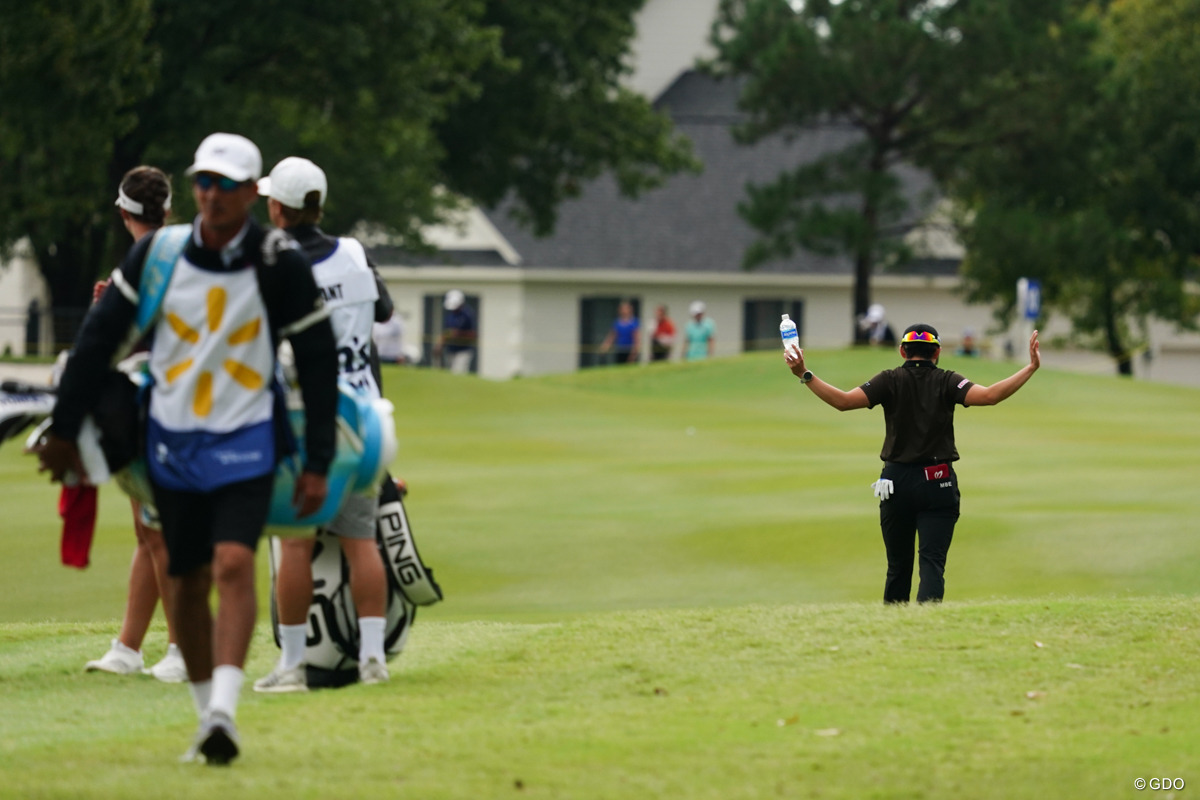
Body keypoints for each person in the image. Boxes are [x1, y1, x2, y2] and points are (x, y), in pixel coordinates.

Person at [32, 133, 339, 766]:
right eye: (203, 181)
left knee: (232, 563)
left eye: (226, 184)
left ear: (252, 195)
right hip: (170, 442)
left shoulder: (281, 261)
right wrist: (64, 430)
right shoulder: (160, 255)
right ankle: (209, 717)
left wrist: (318, 461)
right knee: (188, 577)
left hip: (251, 437)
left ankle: (224, 709)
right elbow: (99, 341)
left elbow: (317, 362)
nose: (210, 194)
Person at [252, 156, 391, 691]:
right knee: (361, 541)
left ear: (278, 208)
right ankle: (372, 657)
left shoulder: (273, 262)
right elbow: (382, 311)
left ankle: (292, 664)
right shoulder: (356, 253)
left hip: (306, 416)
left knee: (294, 543)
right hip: (362, 415)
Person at [783, 324, 1040, 604]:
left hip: (895, 482)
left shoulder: (888, 379)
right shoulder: (949, 380)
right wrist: (1030, 367)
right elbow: (990, 396)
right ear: (937, 352)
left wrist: (804, 374)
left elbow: (843, 402)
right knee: (931, 564)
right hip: (938, 480)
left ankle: (895, 630)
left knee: (898, 567)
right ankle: (926, 628)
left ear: (903, 351)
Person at [81, 166, 186, 684]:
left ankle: (183, 648)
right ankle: (128, 645)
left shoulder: (157, 259)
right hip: (164, 400)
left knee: (160, 531)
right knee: (148, 531)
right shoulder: (177, 252)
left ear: (124, 214)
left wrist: (109, 312)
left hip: (161, 404)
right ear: (165, 211)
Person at [433, 290, 477, 374]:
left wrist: (458, 334)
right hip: (450, 350)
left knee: (458, 372)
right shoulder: (450, 315)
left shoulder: (467, 315)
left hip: (463, 351)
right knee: (451, 374)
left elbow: (473, 334)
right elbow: (447, 332)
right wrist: (439, 344)